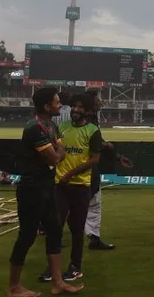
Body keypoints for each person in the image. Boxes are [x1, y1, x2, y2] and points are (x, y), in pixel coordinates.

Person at [8, 86, 82, 296]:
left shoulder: (51, 125)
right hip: (32, 189)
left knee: (55, 232)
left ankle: (57, 282)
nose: (61, 105)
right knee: (27, 236)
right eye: (57, 102)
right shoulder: (35, 128)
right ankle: (14, 287)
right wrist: (59, 152)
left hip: (47, 186)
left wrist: (59, 152)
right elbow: (56, 157)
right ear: (47, 106)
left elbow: (61, 152)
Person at [39, 94, 102, 282]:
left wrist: (70, 174)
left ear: (88, 110)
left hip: (80, 186)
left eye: (80, 107)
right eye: (74, 106)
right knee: (55, 227)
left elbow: (94, 159)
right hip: (60, 186)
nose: (76, 110)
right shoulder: (62, 128)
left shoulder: (93, 131)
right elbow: (56, 151)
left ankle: (75, 267)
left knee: (76, 229)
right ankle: (52, 267)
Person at [81, 89, 132, 251]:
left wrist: (115, 154)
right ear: (91, 102)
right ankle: (91, 237)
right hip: (86, 166)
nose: (101, 101)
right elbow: (89, 141)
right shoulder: (87, 119)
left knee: (87, 202)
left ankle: (92, 237)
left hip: (85, 166)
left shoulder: (87, 118)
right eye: (99, 99)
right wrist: (106, 145)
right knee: (91, 202)